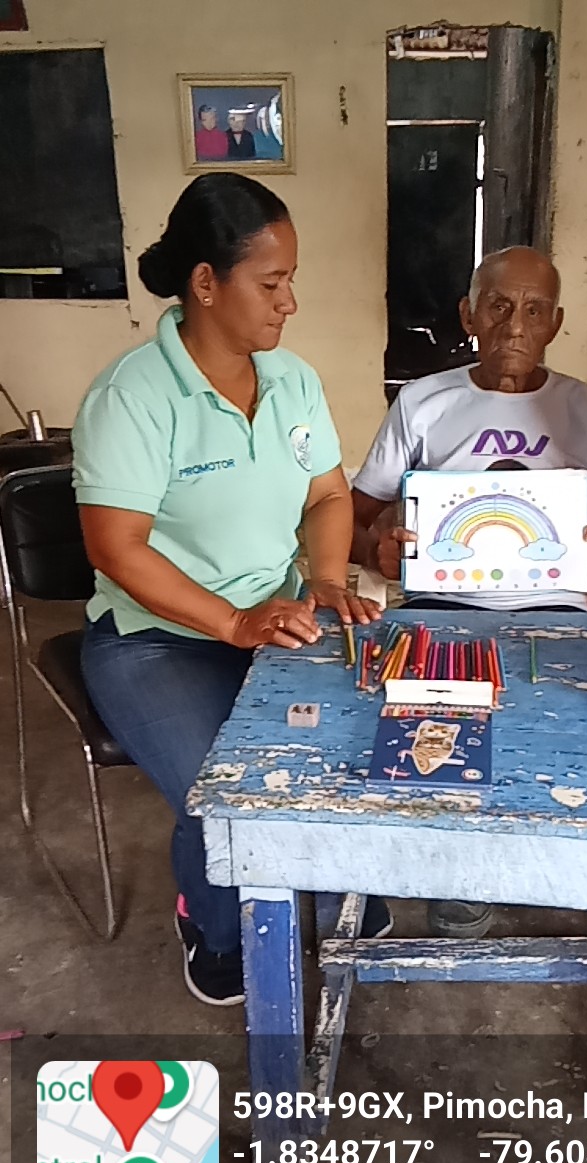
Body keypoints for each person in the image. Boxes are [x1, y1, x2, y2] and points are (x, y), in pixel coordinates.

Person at [72, 174, 387, 1007]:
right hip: (155, 638)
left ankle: (339, 892)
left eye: (291, 281)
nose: (290, 303)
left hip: (278, 614)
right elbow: (114, 547)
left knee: (359, 744)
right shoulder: (133, 397)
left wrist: (325, 580)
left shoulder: (292, 381)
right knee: (225, 794)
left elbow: (328, 495)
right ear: (206, 283)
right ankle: (214, 928)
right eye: (271, 283)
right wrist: (232, 621)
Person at [351, 245, 587, 940]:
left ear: (556, 323)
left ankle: (567, 850)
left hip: (559, 613)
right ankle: (457, 873)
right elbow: (350, 518)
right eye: (498, 306)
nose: (515, 326)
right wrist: (373, 549)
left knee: (577, 725)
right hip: (441, 612)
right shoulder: (423, 402)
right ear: (468, 315)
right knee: (434, 732)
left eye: (535, 311)